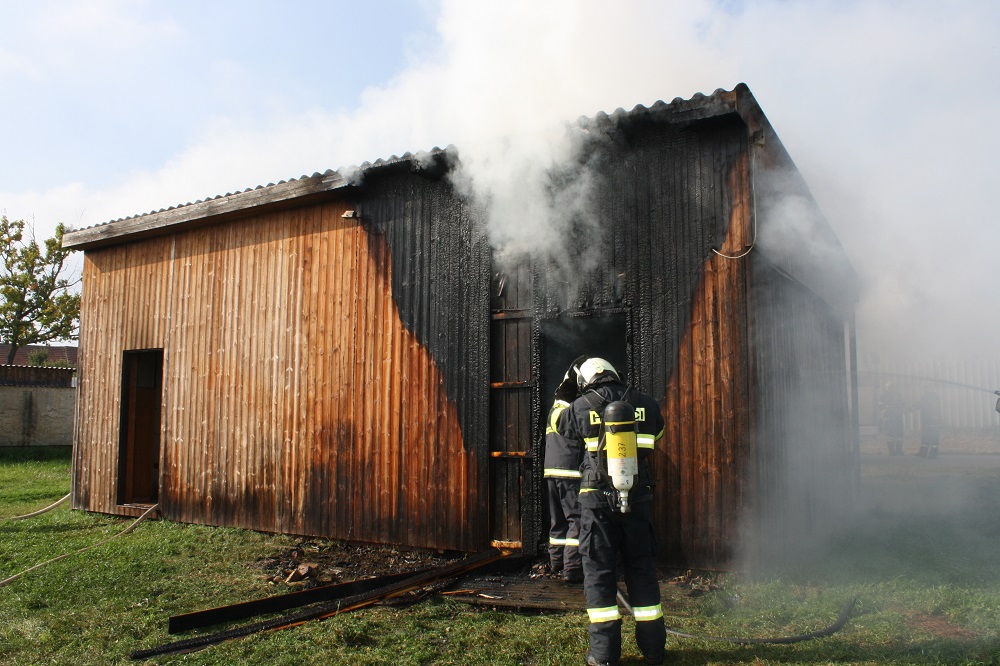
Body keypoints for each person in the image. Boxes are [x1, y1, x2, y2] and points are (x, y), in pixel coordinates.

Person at [553, 357, 666, 666]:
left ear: (588, 380)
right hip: (637, 499)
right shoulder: (645, 403)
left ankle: (603, 654)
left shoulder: (579, 406)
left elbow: (558, 427)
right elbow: (656, 437)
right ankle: (654, 649)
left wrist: (564, 396)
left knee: (599, 573)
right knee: (641, 569)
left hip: (596, 504)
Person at [543, 356, 588, 583]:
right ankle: (572, 568)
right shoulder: (570, 411)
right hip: (569, 473)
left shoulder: (555, 410)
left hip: (551, 473)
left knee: (557, 521)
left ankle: (556, 563)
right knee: (576, 519)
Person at [879, 381, 906, 455]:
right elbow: (880, 406)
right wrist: (888, 409)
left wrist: (897, 409)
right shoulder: (883, 396)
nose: (889, 389)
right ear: (886, 388)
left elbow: (903, 404)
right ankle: (891, 451)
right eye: (888, 387)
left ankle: (899, 450)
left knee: (899, 435)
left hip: (897, 418)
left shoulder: (898, 396)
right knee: (890, 435)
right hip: (889, 418)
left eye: (891, 387)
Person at [916, 388, 941, 458]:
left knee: (933, 436)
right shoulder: (933, 397)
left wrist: (911, 408)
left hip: (932, 419)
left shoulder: (929, 397)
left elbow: (919, 404)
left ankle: (932, 453)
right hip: (928, 419)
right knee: (926, 435)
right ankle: (924, 452)